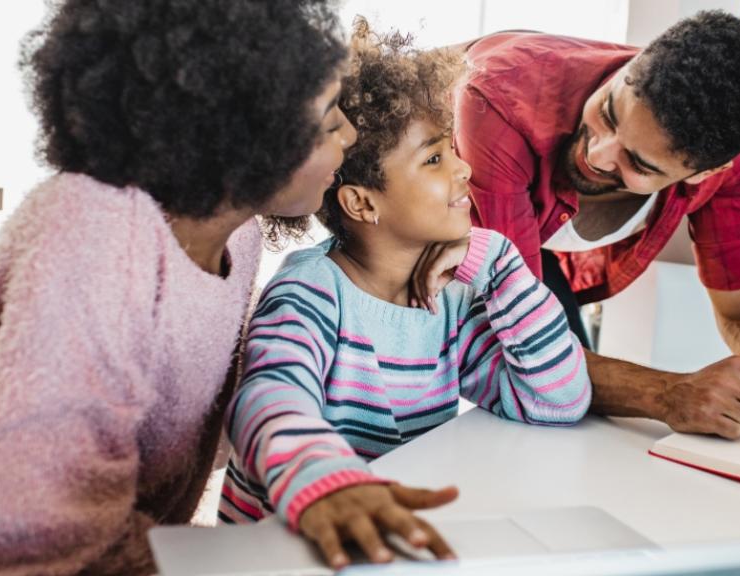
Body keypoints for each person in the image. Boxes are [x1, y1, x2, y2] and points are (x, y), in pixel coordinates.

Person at [0, 1, 357, 574]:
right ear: (238, 134)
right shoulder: (90, 234)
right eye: (328, 121)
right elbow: (27, 538)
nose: (350, 133)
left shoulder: (239, 240)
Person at [218, 22, 592, 569]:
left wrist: (500, 262)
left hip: (381, 547)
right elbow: (267, 397)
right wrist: (326, 481)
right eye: (434, 159)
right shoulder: (311, 294)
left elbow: (558, 401)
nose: (464, 168)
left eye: (452, 149)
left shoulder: (450, 296)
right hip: (281, 553)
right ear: (362, 203)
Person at [452, 10, 740, 441]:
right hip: (425, 237)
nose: (598, 155)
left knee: (573, 425)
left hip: (528, 261)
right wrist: (666, 392)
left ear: (707, 172)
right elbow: (522, 342)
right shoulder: (501, 102)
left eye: (639, 164)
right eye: (608, 112)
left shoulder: (732, 159)